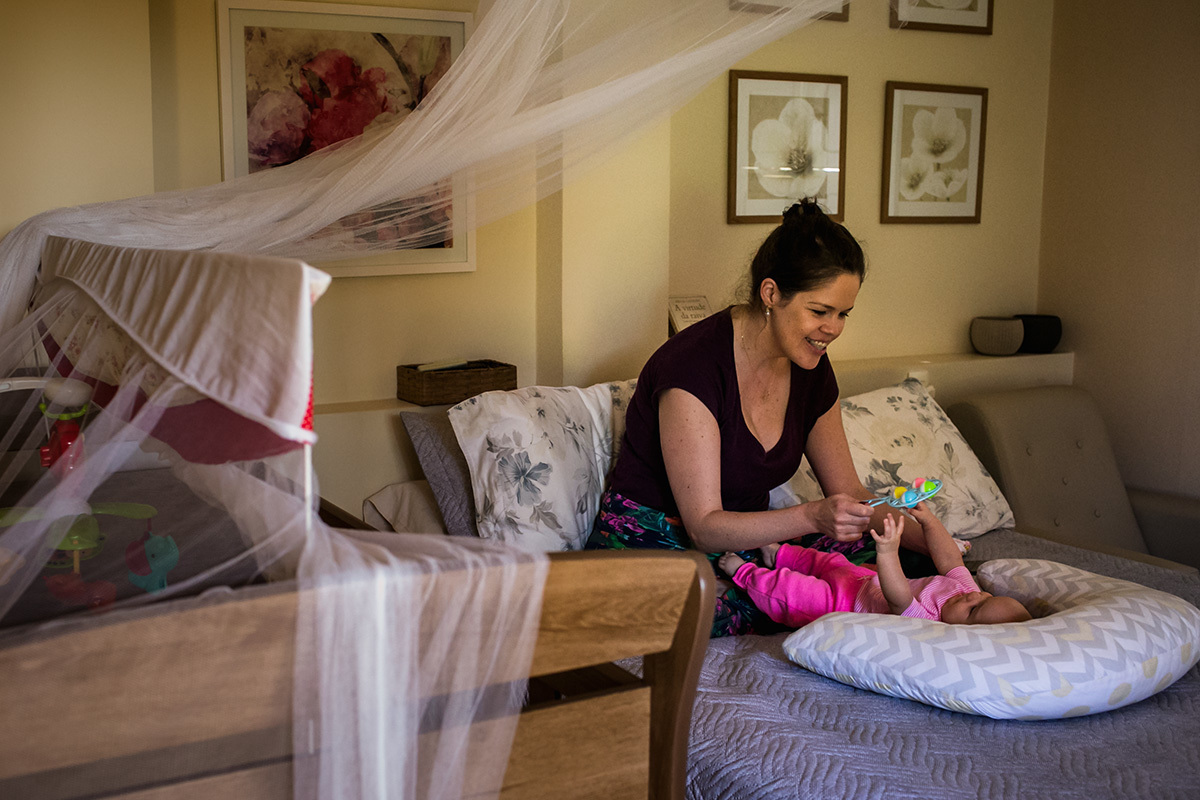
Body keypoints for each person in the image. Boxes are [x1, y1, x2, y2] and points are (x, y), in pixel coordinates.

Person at [586, 198, 931, 637]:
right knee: (708, 609)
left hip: (747, 543)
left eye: (843, 314)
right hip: (658, 541)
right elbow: (705, 528)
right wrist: (811, 518)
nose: (834, 329)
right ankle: (773, 597)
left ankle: (781, 593)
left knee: (904, 566)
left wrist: (931, 539)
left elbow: (849, 492)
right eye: (820, 311)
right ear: (770, 293)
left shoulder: (810, 365)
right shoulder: (692, 368)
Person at [717, 502, 1031, 627]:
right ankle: (779, 554)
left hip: (843, 608)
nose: (973, 596)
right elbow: (948, 556)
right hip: (863, 581)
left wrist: (888, 552)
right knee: (827, 561)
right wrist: (929, 521)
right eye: (985, 596)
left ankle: (745, 572)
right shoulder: (965, 590)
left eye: (974, 610)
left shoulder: (930, 624)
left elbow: (899, 596)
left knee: (793, 592)